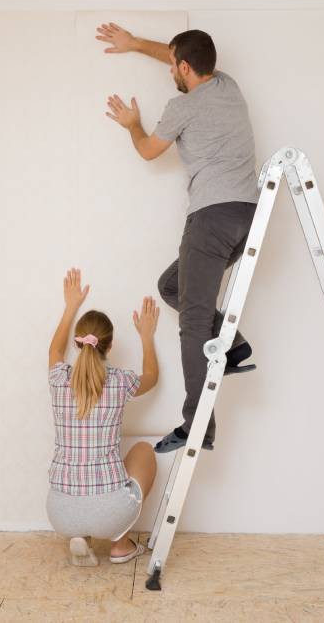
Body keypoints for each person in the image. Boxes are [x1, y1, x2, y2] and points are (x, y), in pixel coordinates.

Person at [96, 23, 259, 453]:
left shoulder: (180, 107)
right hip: (246, 218)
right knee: (171, 286)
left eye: (173, 65)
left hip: (209, 220)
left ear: (184, 68)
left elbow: (150, 150)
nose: (170, 70)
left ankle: (197, 425)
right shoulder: (228, 85)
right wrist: (133, 45)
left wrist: (133, 124)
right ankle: (234, 346)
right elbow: (180, 55)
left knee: (191, 323)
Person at [46, 268, 160, 566]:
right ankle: (120, 544)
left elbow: (54, 350)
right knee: (144, 450)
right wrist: (146, 336)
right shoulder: (121, 381)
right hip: (110, 511)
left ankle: (80, 534)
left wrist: (71, 306)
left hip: (59, 512)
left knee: (87, 486)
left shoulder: (59, 379)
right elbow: (151, 377)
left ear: (77, 343)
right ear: (109, 346)